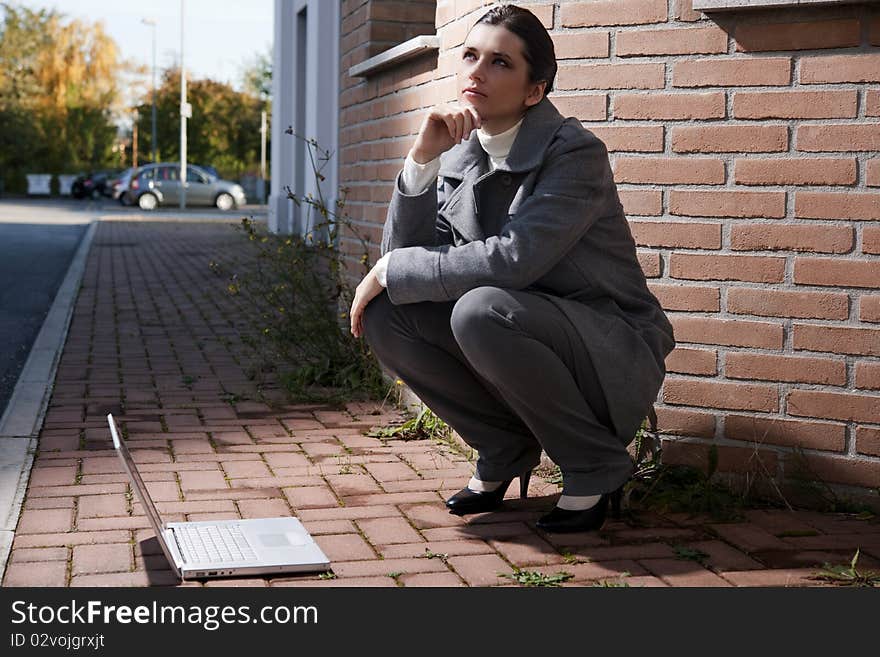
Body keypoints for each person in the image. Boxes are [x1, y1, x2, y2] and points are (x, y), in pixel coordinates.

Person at [348, 4, 675, 533]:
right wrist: (421, 160)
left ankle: (595, 464)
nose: (476, 71)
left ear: (533, 91)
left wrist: (390, 268)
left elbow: (515, 259)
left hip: (603, 342)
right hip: (515, 330)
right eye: (470, 55)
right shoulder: (459, 154)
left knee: (480, 308)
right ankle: (504, 450)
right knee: (389, 313)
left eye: (500, 62)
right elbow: (407, 257)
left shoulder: (574, 153)